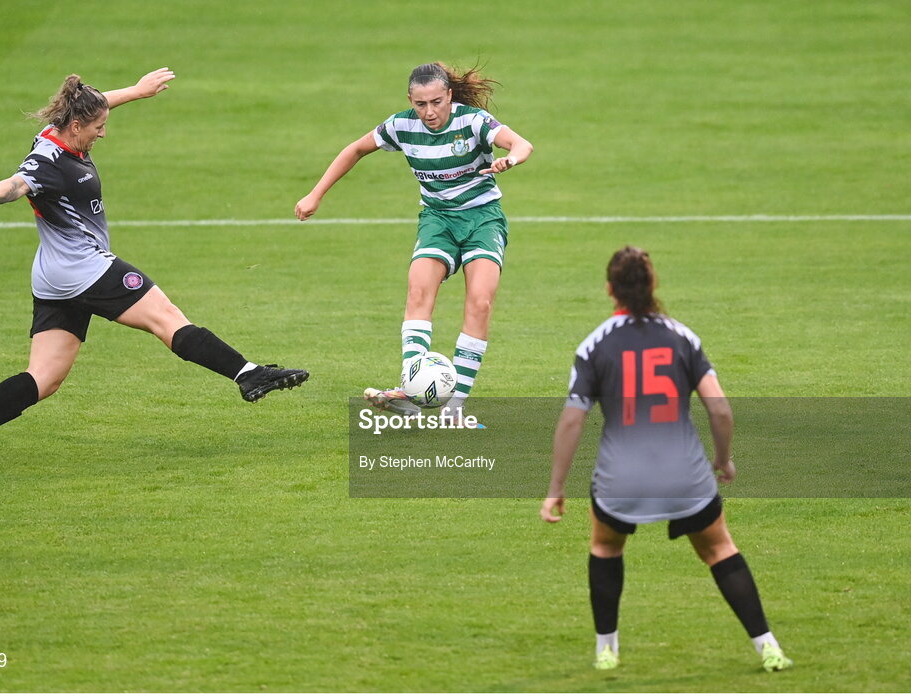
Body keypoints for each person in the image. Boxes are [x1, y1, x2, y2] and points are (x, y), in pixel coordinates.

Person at [0, 68, 308, 468]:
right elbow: (16, 184)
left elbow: (98, 105)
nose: (103, 133)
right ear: (76, 125)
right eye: (98, 127)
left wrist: (136, 91)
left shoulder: (58, 130)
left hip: (52, 276)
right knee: (166, 318)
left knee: (45, 378)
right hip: (86, 270)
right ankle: (248, 375)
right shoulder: (48, 160)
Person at [539, 246, 793, 673]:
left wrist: (555, 489)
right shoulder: (682, 337)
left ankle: (607, 650)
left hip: (621, 478)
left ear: (609, 290)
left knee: (604, 547)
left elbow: (570, 423)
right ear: (653, 285)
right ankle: (768, 647)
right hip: (685, 476)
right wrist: (723, 460)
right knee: (719, 550)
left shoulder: (593, 345)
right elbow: (720, 410)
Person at [295, 62, 532, 421]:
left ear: (450, 95)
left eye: (437, 102)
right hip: (437, 220)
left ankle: (454, 406)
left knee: (480, 302)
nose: (429, 112)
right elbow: (355, 149)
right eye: (420, 104)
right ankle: (411, 390)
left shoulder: (472, 122)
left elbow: (521, 143)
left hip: (483, 219)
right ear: (410, 100)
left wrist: (510, 160)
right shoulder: (401, 125)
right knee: (418, 292)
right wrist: (315, 195)